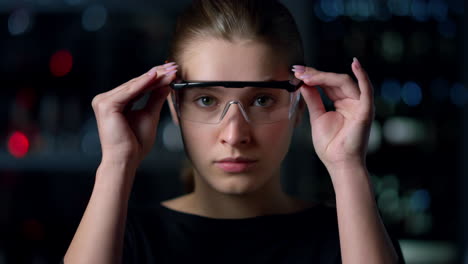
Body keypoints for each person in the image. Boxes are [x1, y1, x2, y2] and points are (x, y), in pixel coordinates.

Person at [63, 0, 405, 263]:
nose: (234, 134)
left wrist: (348, 165)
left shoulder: (353, 238)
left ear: (298, 107)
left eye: (261, 100)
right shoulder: (120, 239)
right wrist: (116, 163)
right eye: (207, 99)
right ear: (174, 108)